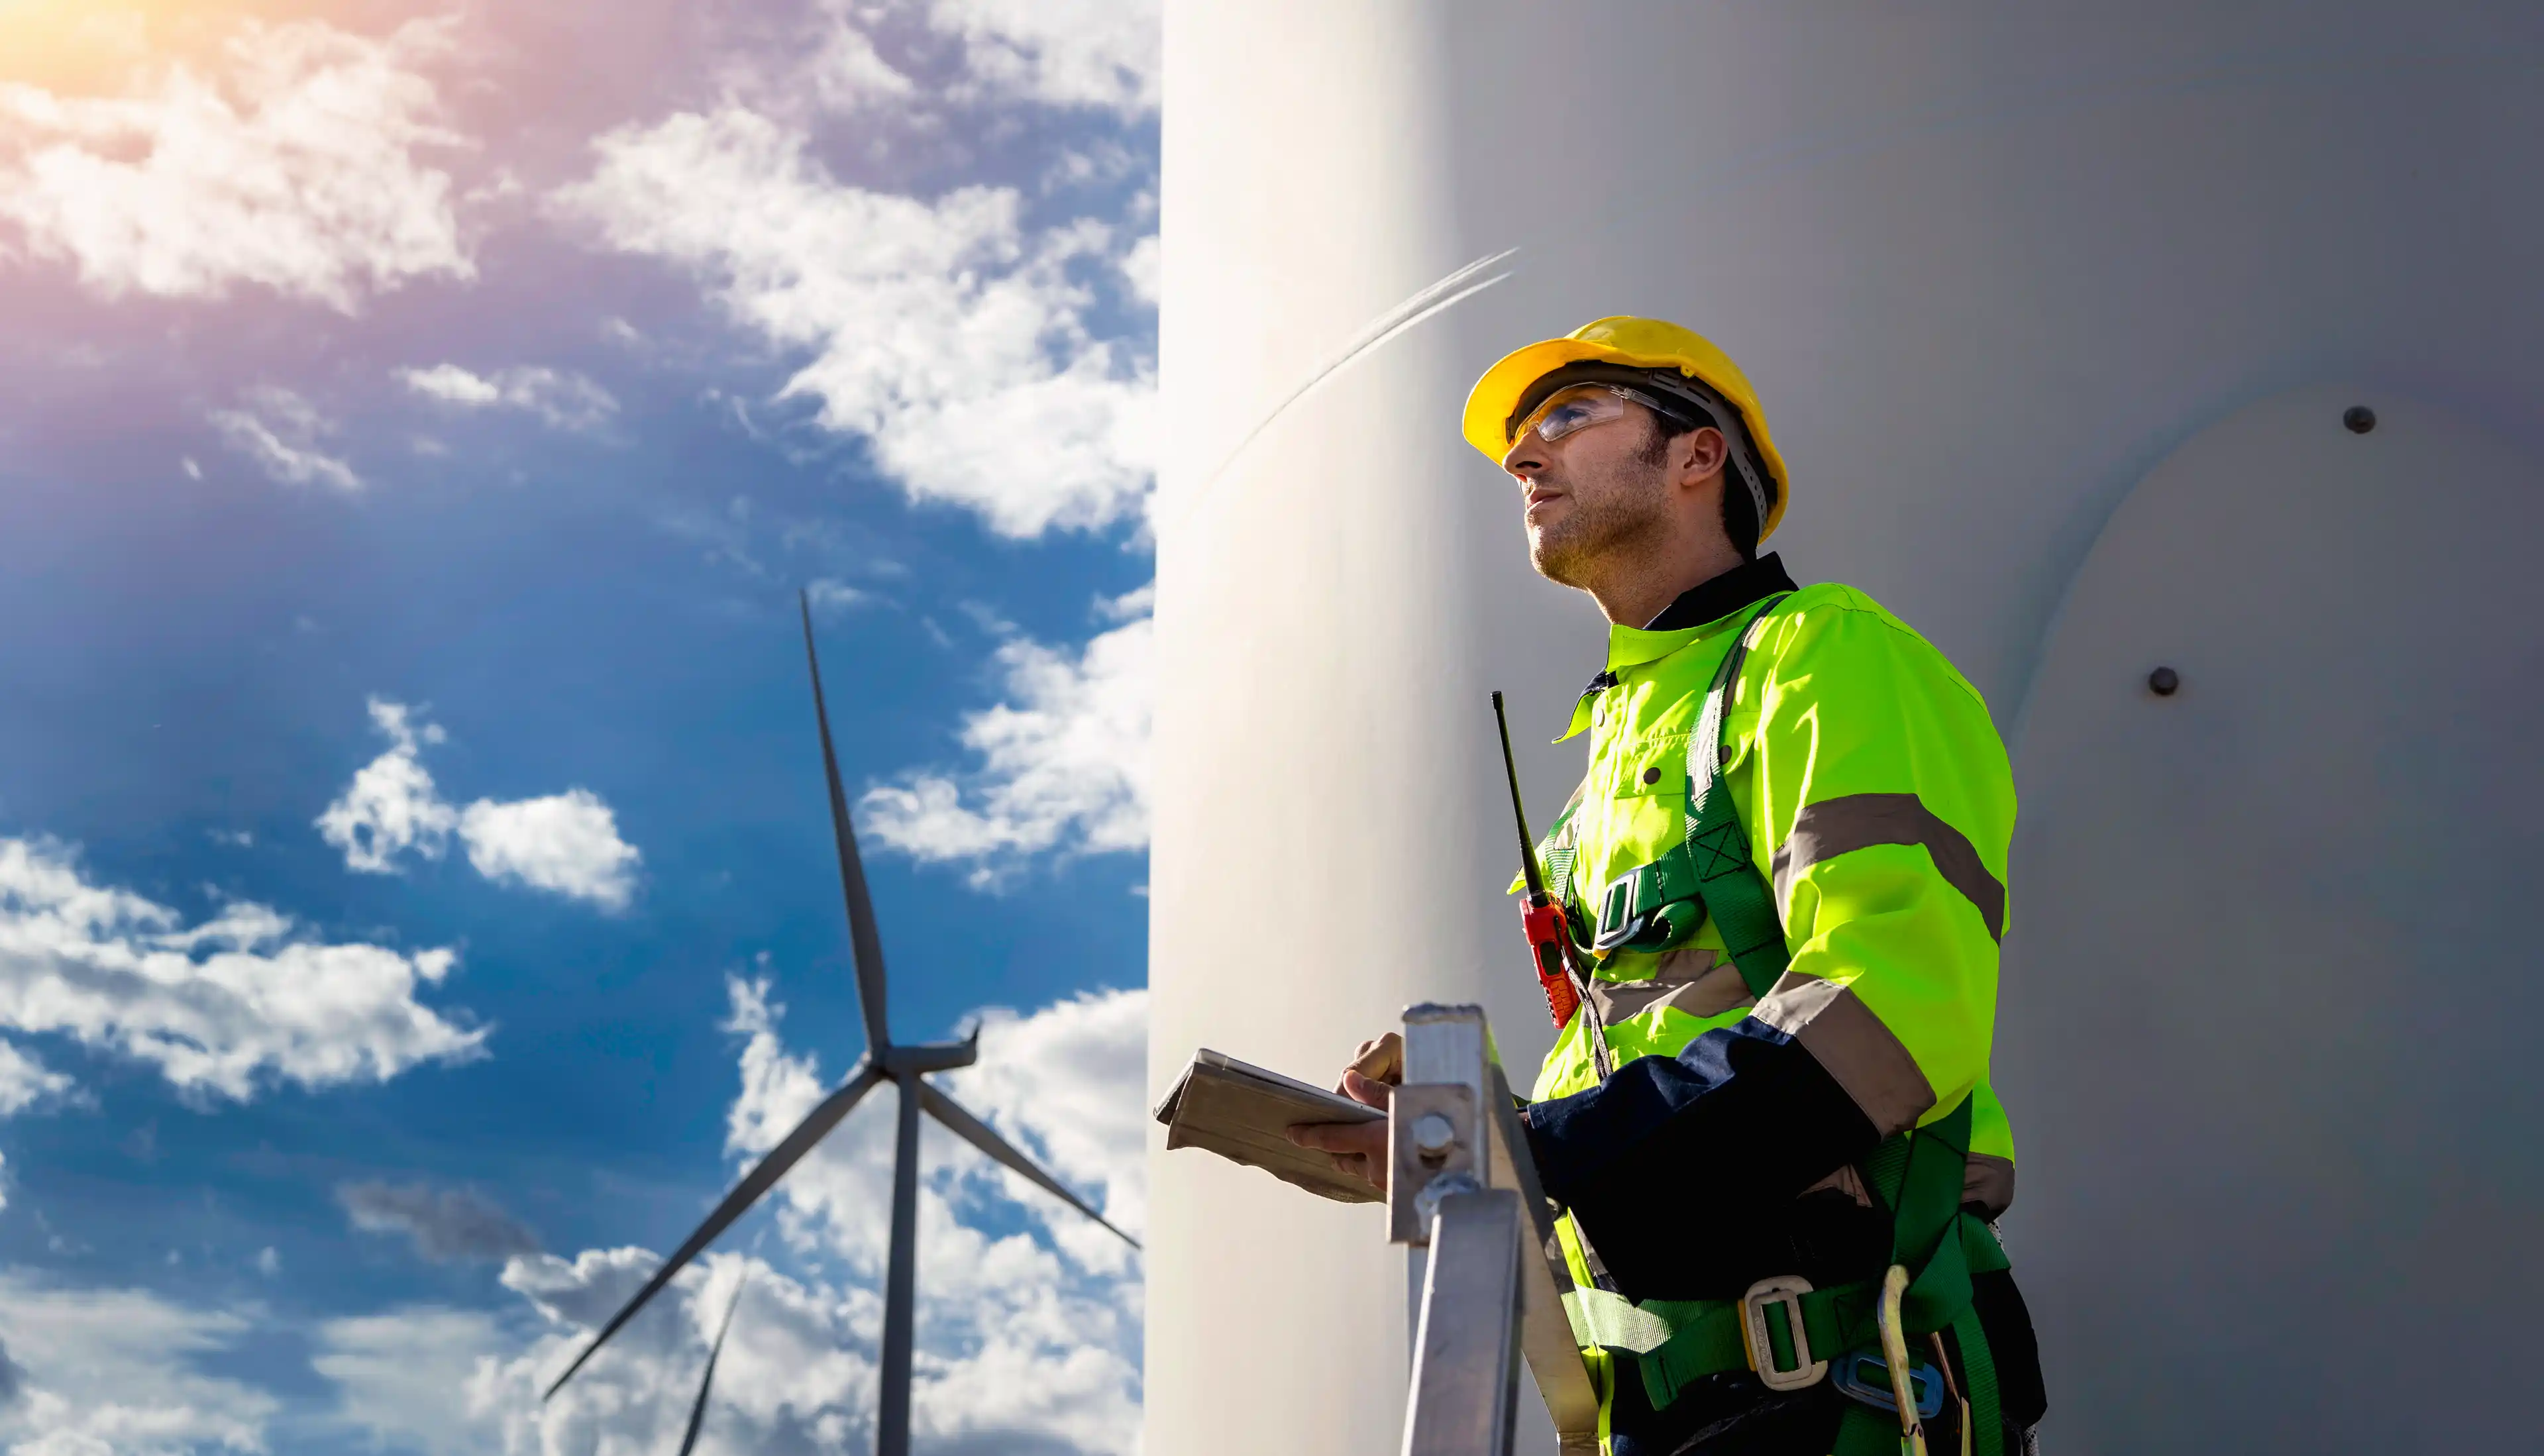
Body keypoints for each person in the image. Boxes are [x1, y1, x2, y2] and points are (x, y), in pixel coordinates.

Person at [1288, 317, 2048, 1455]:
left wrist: (1546, 1143)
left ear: (1698, 457)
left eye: (1570, 418)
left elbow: (1894, 1006)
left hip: (1843, 1388)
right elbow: (1633, 1058)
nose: (1523, 459)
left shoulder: (1822, 654)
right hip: (1656, 1410)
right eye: (1521, 442)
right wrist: (1463, 1121)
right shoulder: (1609, 765)